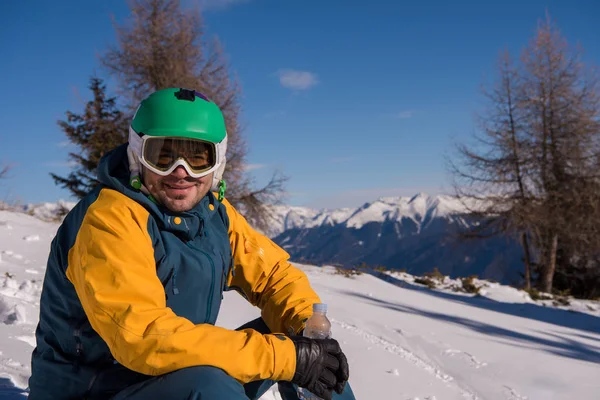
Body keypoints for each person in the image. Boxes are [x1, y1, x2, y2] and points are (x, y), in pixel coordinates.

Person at [28, 88, 355, 400]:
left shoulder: (215, 214)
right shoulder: (109, 219)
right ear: (137, 155)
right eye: (162, 156)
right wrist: (285, 357)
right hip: (97, 389)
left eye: (198, 158)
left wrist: (308, 333)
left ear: (217, 163)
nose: (179, 173)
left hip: (170, 379)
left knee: (313, 354)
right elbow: (143, 336)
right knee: (211, 383)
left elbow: (273, 277)